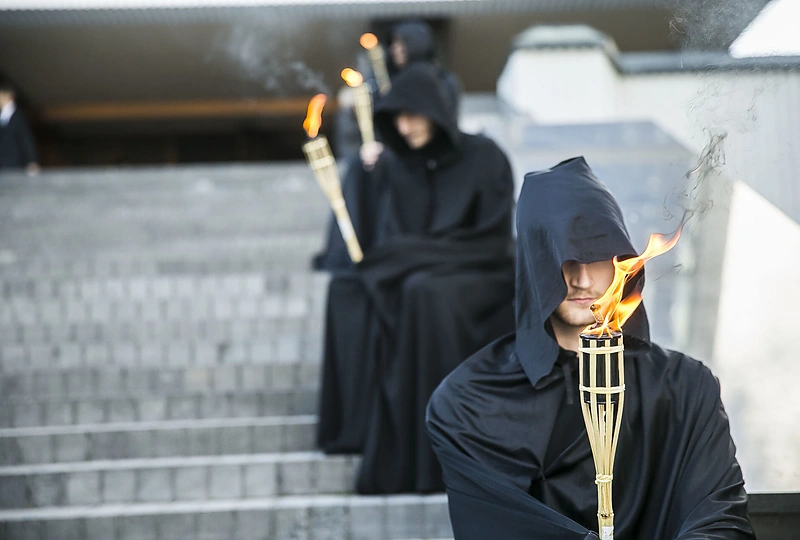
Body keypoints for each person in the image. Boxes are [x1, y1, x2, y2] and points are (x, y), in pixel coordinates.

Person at [426, 157, 755, 539]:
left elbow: (719, 521)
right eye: (563, 259)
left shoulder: (684, 388)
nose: (581, 279)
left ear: (622, 261)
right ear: (535, 261)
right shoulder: (467, 402)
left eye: (596, 257)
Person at [316, 63, 516, 495]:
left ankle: (432, 453)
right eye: (397, 118)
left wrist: (409, 257)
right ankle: (354, 428)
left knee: (420, 291)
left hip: (483, 270)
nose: (405, 127)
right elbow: (390, 234)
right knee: (348, 289)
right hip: (419, 272)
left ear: (436, 111)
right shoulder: (397, 164)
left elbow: (493, 240)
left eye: (413, 114)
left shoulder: (484, 156)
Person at [0, 79, 39, 174]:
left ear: (8, 95)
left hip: (14, 164)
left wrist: (31, 161)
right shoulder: (3, 115)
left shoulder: (19, 116)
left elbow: (26, 139)